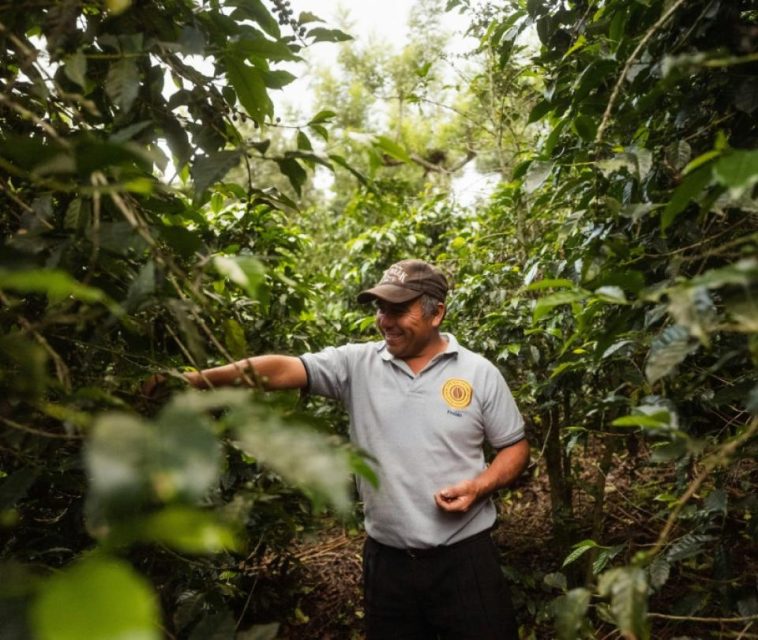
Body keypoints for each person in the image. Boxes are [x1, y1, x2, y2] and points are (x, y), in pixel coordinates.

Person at [146, 259, 529, 639]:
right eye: (381, 308)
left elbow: (514, 447)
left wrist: (478, 487)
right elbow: (280, 370)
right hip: (389, 566)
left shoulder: (478, 373)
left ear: (436, 313)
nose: (385, 320)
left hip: (465, 560)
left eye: (399, 309)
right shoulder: (358, 364)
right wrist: (193, 380)